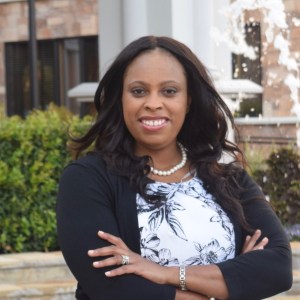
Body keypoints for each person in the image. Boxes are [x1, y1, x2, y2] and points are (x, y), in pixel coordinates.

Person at [56, 36, 293, 300]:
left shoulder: (228, 178)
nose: (153, 103)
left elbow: (278, 268)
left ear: (189, 100)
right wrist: (230, 283)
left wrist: (163, 273)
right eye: (138, 91)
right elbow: (112, 286)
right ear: (120, 98)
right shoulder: (87, 179)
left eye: (169, 91)